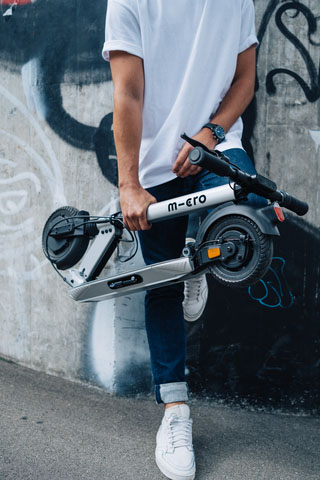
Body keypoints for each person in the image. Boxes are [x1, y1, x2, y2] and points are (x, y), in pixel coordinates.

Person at [103, 1, 260, 479]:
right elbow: (127, 93)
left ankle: (201, 257)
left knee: (243, 211)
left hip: (218, 147)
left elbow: (244, 78)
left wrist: (210, 134)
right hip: (156, 166)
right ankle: (175, 412)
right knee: (163, 284)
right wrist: (129, 184)